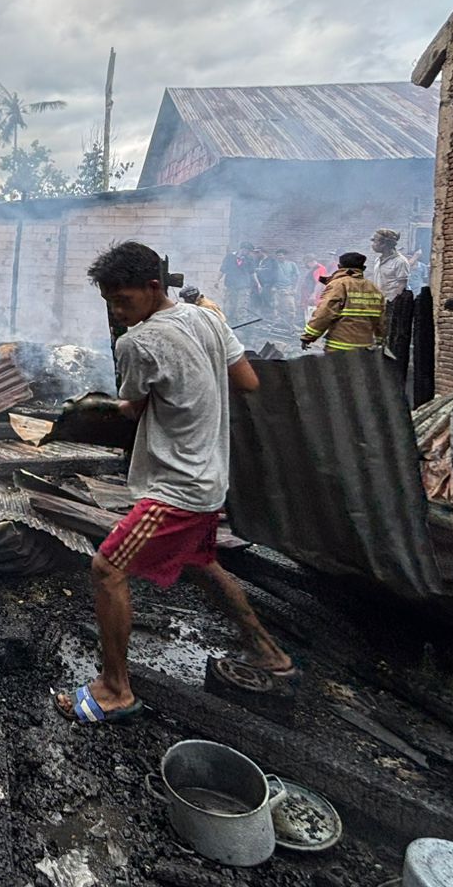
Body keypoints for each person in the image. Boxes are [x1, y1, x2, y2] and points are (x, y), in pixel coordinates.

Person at [55, 242, 296, 725]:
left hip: (177, 488)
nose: (117, 312)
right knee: (200, 562)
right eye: (109, 303)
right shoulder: (208, 318)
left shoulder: (136, 343)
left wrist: (91, 410)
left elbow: (134, 408)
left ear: (152, 287)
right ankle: (269, 653)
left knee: (107, 569)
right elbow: (247, 381)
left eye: (123, 300)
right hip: (210, 477)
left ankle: (116, 689)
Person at [301, 252, 385, 352]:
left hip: (339, 347)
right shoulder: (374, 288)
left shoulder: (338, 285)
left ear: (339, 267)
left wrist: (308, 337)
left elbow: (324, 313)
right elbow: (381, 319)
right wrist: (379, 339)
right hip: (365, 348)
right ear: (363, 268)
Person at [370, 229, 411, 303]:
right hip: (379, 302)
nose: (373, 244)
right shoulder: (378, 260)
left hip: (392, 303)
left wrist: (395, 303)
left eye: (375, 241)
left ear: (384, 244)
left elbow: (402, 285)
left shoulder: (400, 261)